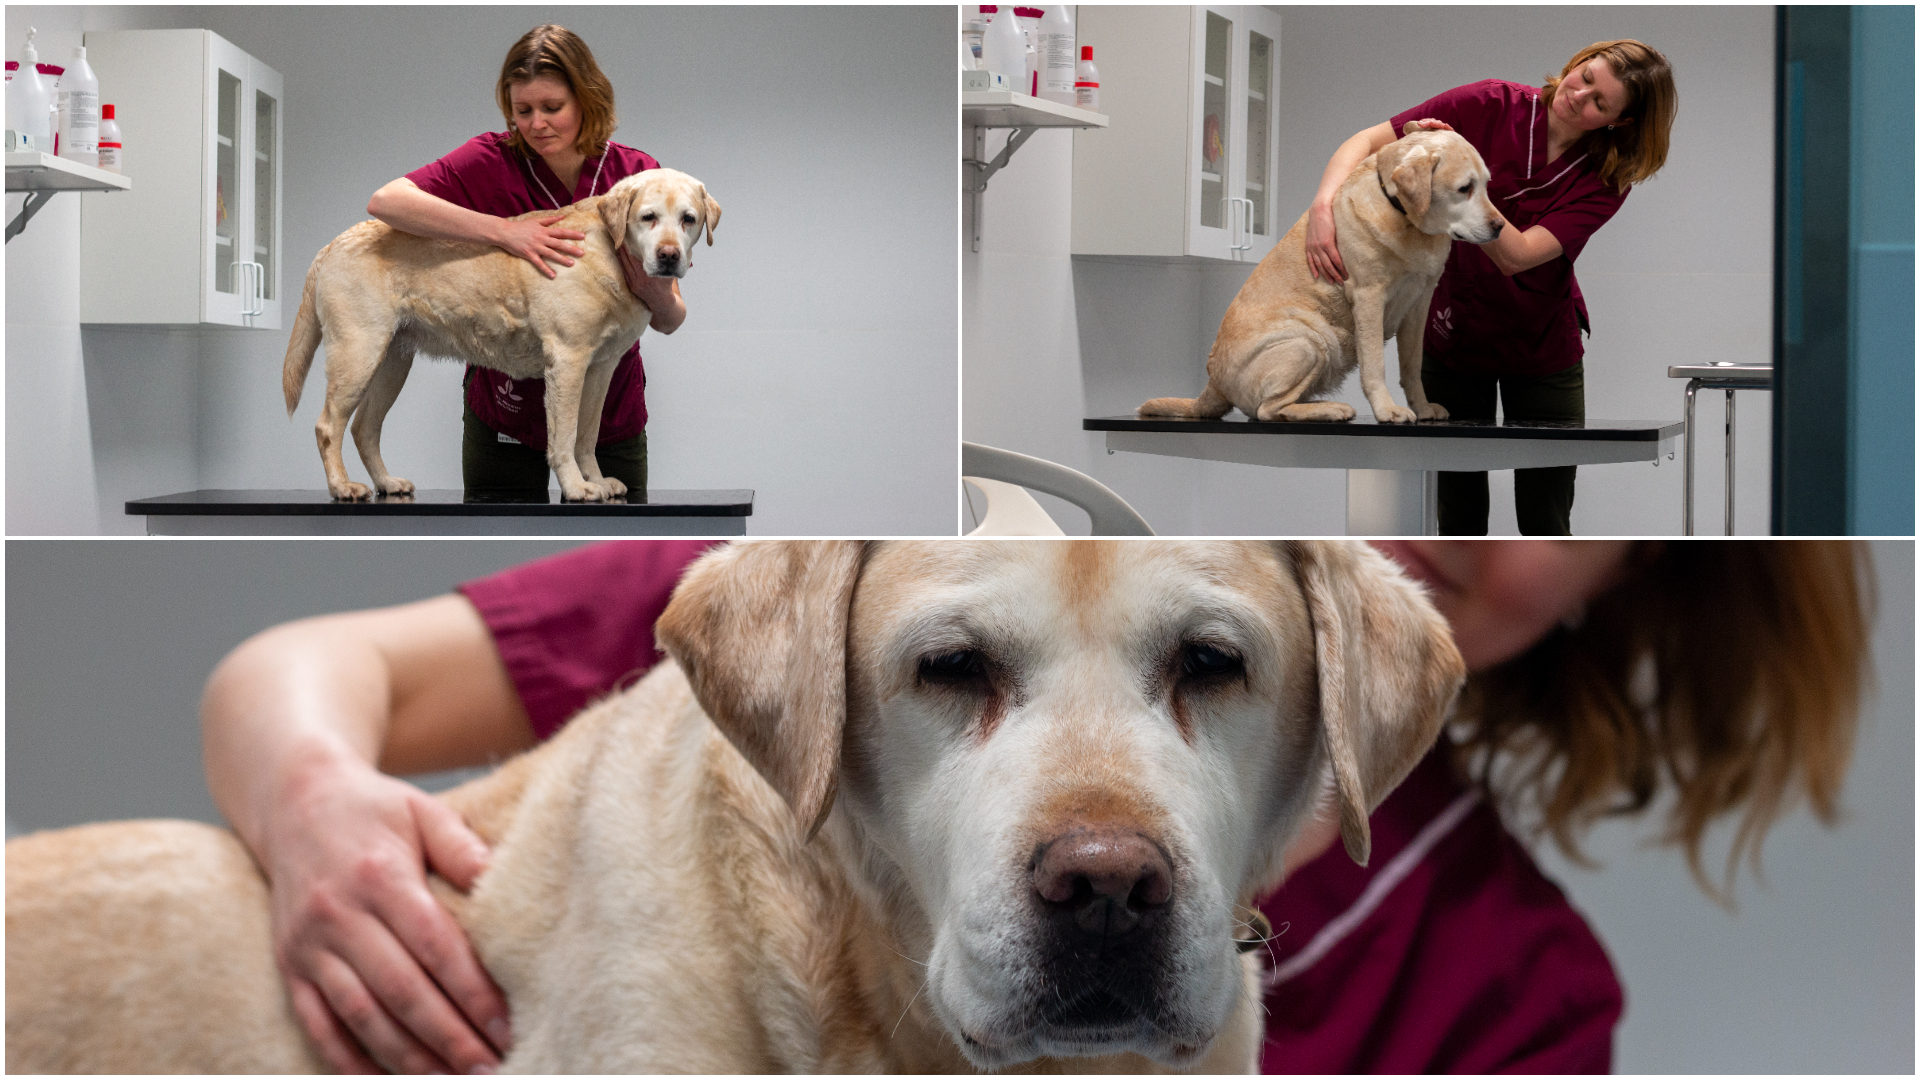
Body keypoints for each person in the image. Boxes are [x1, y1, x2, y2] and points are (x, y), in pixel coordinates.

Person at [201, 540, 1866, 1073]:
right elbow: (320, 664)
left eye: (1213, 665)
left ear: (1636, 569)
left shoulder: (1515, 997)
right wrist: (313, 803)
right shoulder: (915, 559)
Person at [1308, 42, 1679, 535]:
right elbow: (1365, 142)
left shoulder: (1607, 178)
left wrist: (1457, 185)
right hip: (1452, 328)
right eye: (1585, 76)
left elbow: (1518, 255)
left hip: (1542, 344)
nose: (1577, 95)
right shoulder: (1486, 104)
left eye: (1600, 103)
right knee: (1457, 517)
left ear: (1621, 123)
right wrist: (1323, 207)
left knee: (1547, 517)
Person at [364, 25, 686, 498]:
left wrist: (654, 288)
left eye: (553, 108)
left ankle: (582, 457)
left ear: (586, 100)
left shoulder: (635, 177)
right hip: (504, 412)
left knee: (603, 561)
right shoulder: (492, 160)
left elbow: (670, 320)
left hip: (608, 421)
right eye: (523, 110)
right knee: (503, 550)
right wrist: (504, 230)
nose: (537, 123)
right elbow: (386, 201)